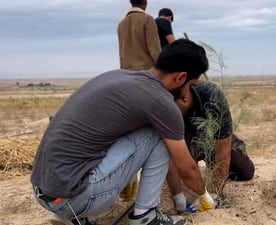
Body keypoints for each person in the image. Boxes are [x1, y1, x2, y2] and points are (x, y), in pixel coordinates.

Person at [30, 39, 214, 225]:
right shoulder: (162, 102)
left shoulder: (120, 77)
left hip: (44, 192)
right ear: (180, 77)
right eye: (191, 85)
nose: (186, 94)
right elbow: (187, 169)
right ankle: (145, 215)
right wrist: (204, 195)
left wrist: (128, 171)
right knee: (157, 131)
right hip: (75, 197)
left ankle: (73, 218)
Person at [167, 80, 255, 213]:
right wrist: (178, 196)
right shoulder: (162, 103)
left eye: (175, 112)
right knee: (186, 165)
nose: (172, 115)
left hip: (215, 137)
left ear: (184, 99)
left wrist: (214, 194)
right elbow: (168, 156)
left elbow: (223, 154)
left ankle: (211, 161)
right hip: (185, 139)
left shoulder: (211, 95)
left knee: (246, 171)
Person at [118, 0, 161, 70]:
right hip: (146, 71)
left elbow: (121, 53)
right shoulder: (147, 19)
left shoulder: (121, 24)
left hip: (127, 72)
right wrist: (165, 68)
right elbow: (155, 49)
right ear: (145, 2)